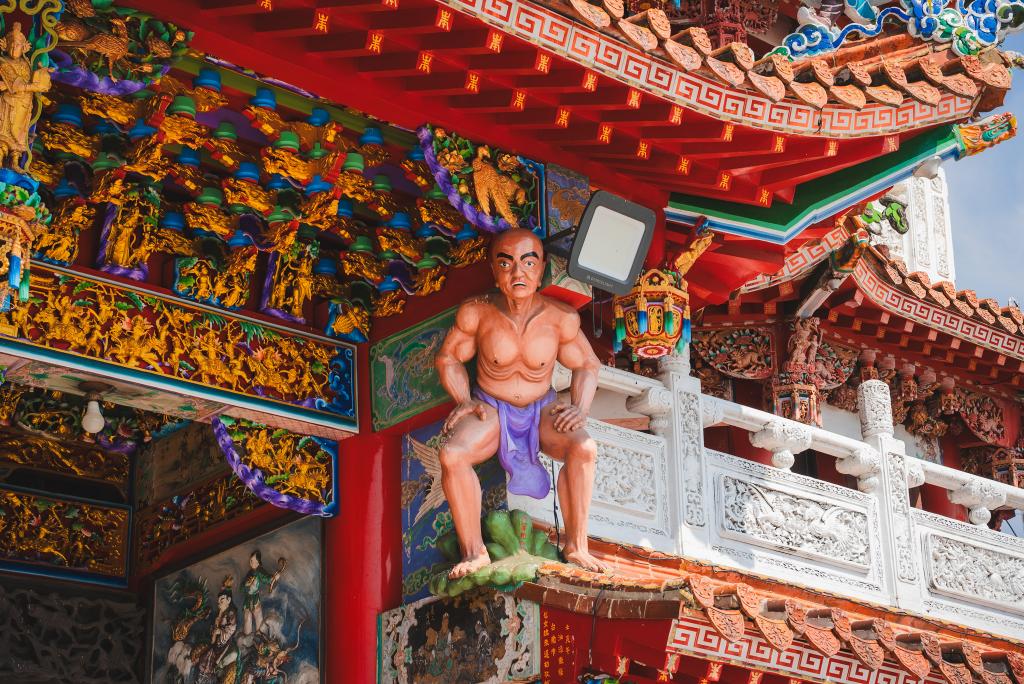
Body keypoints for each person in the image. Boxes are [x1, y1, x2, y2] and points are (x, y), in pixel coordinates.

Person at [435, 228, 605, 578]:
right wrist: (463, 400)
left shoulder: (561, 319)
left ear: (541, 269)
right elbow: (448, 357)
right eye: (506, 263)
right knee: (452, 454)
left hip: (541, 408)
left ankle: (577, 546)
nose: (518, 273)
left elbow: (588, 364)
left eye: (528, 263)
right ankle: (474, 552)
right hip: (491, 405)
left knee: (584, 448)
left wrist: (580, 408)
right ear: (494, 271)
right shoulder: (477, 313)